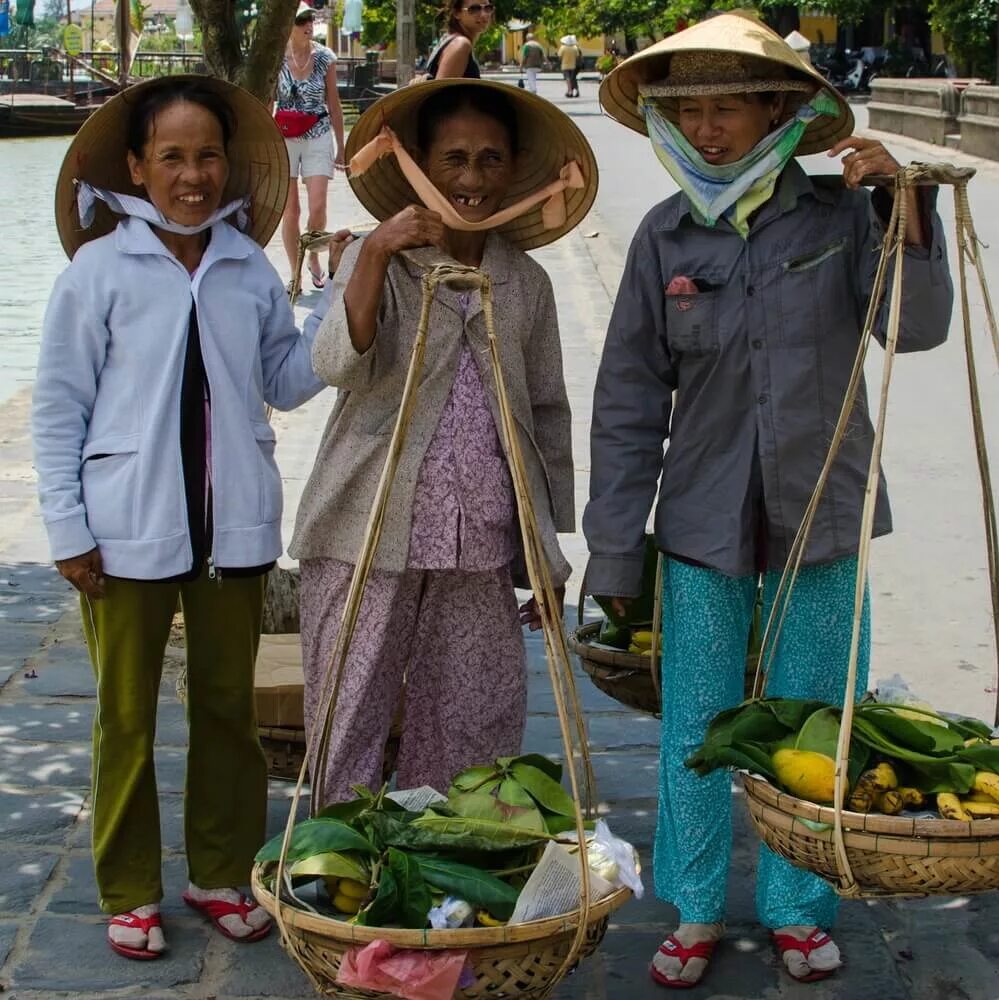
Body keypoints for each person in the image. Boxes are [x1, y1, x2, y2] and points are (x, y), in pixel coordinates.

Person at [585, 13, 953, 990]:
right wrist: (616, 557)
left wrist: (904, 205)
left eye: (729, 109)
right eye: (690, 111)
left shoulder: (841, 217)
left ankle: (800, 905)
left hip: (821, 518)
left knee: (813, 719)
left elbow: (913, 331)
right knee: (698, 726)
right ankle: (694, 904)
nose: (707, 131)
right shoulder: (663, 236)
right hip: (701, 524)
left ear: (779, 112)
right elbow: (626, 405)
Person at [33, 75, 327, 961]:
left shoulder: (245, 267)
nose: (193, 175)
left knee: (227, 711)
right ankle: (128, 888)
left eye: (207, 157)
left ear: (229, 167)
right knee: (124, 717)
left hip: (234, 528)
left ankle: (219, 872)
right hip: (123, 531)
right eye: (172, 157)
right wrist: (67, 529)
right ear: (136, 165)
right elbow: (58, 407)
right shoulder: (99, 271)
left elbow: (284, 379)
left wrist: (346, 294)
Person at [290, 78, 598, 805]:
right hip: (366, 531)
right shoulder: (379, 262)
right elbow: (336, 362)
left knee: (473, 726)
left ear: (513, 170)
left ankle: (443, 876)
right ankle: (346, 871)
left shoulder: (523, 284)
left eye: (491, 160)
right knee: (350, 712)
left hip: (481, 542)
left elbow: (547, 415)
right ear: (418, 164)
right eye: (452, 158)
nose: (470, 178)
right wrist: (371, 254)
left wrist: (546, 551)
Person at [276, 1, 346, 291]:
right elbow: (268, 102)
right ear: (288, 26)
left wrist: (341, 146)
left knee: (318, 206)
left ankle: (313, 255)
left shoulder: (324, 57)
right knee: (290, 210)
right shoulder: (276, 59)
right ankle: (296, 274)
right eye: (301, 20)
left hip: (317, 132)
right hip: (285, 135)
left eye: (310, 19)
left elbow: (334, 103)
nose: (308, 25)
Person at [422, 0, 493, 80]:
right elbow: (441, 90)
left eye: (488, 8)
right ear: (457, 13)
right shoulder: (460, 44)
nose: (484, 14)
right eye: (474, 9)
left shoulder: (451, 40)